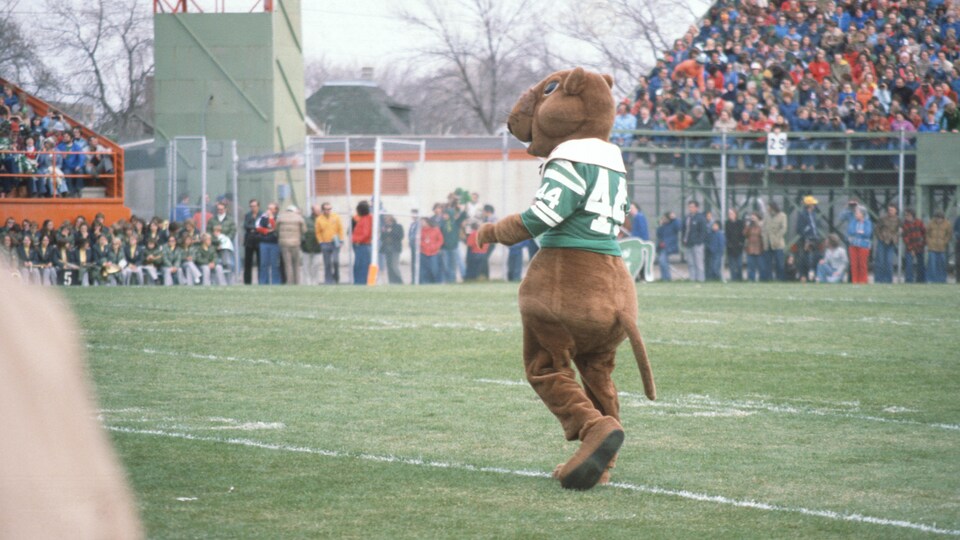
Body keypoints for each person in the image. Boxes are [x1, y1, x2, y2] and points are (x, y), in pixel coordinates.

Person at [315, 202, 344, 284]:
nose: (328, 211)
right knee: (327, 263)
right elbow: (318, 232)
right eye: (326, 209)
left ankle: (337, 278)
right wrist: (320, 242)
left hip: (335, 242)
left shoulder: (336, 217)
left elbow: (340, 229)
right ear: (323, 210)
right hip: (325, 243)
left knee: (336, 261)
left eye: (330, 209)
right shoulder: (319, 219)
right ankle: (328, 280)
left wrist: (341, 240)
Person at [276, 205, 306, 285]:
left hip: (284, 243)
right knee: (296, 264)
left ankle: (289, 281)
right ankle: (297, 282)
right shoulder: (299, 217)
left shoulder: (280, 217)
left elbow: (276, 229)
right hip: (295, 243)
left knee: (287, 264)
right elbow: (304, 230)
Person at [796, 195, 823, 282]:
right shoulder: (802, 215)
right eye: (813, 204)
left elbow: (815, 226)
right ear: (809, 205)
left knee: (815, 257)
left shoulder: (814, 214)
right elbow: (799, 229)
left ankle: (814, 276)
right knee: (804, 258)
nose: (814, 206)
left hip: (814, 239)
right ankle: (803, 275)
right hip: (806, 239)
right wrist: (806, 236)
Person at [439, 200, 467, 283]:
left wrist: (462, 208)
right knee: (446, 265)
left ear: (450, 215)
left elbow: (463, 215)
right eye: (444, 214)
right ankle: (448, 279)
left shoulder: (455, 222)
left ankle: (453, 278)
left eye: (446, 214)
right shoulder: (442, 223)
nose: (444, 216)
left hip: (453, 247)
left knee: (453, 264)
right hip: (444, 248)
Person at [874, 203, 900, 283]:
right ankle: (878, 279)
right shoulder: (883, 218)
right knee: (880, 261)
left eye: (892, 210)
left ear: (896, 210)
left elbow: (900, 230)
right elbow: (877, 229)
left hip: (891, 242)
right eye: (889, 210)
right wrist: (880, 237)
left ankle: (888, 280)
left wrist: (896, 237)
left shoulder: (898, 220)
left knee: (889, 262)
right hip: (882, 241)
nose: (890, 211)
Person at [682, 201, 707, 282]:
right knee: (691, 263)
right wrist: (684, 240)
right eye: (689, 207)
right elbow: (684, 230)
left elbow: (703, 231)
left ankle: (700, 279)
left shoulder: (701, 218)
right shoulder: (687, 217)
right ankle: (692, 279)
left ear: (697, 208)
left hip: (697, 244)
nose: (690, 208)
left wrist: (699, 241)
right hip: (688, 243)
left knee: (699, 263)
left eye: (692, 207)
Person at [761, 201, 787, 281]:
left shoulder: (782, 216)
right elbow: (763, 227)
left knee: (779, 263)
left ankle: (780, 279)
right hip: (767, 244)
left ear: (772, 207)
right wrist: (764, 237)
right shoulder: (766, 216)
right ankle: (769, 279)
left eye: (768, 207)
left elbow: (784, 228)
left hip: (778, 244)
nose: (767, 209)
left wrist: (777, 238)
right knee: (767, 263)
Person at [847, 205, 873, 284]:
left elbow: (867, 233)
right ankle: (855, 281)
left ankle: (863, 281)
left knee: (862, 264)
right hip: (853, 245)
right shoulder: (853, 221)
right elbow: (850, 231)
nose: (856, 214)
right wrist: (859, 232)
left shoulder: (867, 222)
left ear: (862, 214)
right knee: (854, 264)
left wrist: (857, 232)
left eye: (857, 213)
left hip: (864, 246)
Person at [256, 202, 280, 285]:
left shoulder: (278, 218)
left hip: (274, 243)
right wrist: (266, 231)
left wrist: (271, 218)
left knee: (275, 264)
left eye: (271, 208)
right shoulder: (262, 217)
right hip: (264, 242)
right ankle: (263, 282)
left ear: (275, 210)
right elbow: (258, 227)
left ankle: (275, 282)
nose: (268, 210)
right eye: (268, 208)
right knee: (263, 264)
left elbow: (275, 228)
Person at [925, 210, 951, 283]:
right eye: (937, 218)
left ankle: (942, 280)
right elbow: (926, 233)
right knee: (931, 264)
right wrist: (929, 242)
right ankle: (930, 280)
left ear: (943, 218)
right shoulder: (930, 223)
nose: (938, 220)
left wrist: (944, 242)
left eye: (940, 218)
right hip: (932, 247)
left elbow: (949, 234)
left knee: (941, 264)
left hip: (942, 248)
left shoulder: (947, 224)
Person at [351, 200, 372, 285]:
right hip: (360, 245)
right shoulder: (363, 218)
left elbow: (366, 233)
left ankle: (361, 282)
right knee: (358, 265)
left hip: (362, 245)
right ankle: (358, 282)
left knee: (361, 266)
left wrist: (357, 240)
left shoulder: (367, 219)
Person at [902, 208, 926, 283]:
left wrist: (923, 244)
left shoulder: (919, 222)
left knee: (921, 265)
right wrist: (911, 249)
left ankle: (921, 280)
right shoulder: (904, 225)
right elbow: (905, 238)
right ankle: (909, 280)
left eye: (908, 215)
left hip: (919, 247)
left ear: (912, 215)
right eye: (905, 215)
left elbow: (925, 233)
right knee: (909, 265)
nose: (906, 217)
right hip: (910, 248)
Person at [379, 214, 404, 284]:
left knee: (394, 266)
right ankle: (392, 281)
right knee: (389, 266)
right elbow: (382, 237)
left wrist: (390, 232)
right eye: (385, 220)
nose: (386, 221)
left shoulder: (398, 226)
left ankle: (400, 281)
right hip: (387, 249)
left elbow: (400, 236)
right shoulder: (385, 227)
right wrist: (386, 232)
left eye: (387, 219)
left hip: (395, 249)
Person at [302, 205, 323, 285]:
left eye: (319, 210)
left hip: (318, 247)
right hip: (307, 246)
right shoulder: (306, 220)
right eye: (316, 210)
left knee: (316, 265)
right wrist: (303, 242)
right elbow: (302, 231)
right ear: (312, 210)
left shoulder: (322, 220)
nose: (318, 211)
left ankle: (315, 281)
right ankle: (307, 282)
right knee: (306, 266)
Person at [656, 211, 680, 281]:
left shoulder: (673, 224)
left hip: (669, 246)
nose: (663, 220)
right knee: (662, 262)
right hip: (662, 247)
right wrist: (660, 225)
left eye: (664, 218)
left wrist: (674, 218)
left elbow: (678, 227)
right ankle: (664, 277)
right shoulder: (663, 226)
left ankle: (667, 277)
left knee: (662, 260)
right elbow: (658, 234)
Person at [418, 217, 442, 284]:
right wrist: (423, 245)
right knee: (424, 270)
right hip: (423, 252)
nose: (421, 223)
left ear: (427, 222)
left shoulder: (435, 230)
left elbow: (440, 240)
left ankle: (436, 283)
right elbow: (418, 240)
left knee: (434, 269)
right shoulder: (420, 230)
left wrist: (435, 246)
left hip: (433, 253)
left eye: (423, 222)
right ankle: (425, 283)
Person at [724, 208, 744, 281]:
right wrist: (728, 244)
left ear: (735, 214)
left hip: (738, 247)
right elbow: (727, 235)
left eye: (731, 213)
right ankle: (733, 278)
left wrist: (741, 243)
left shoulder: (740, 223)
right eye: (729, 214)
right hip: (730, 247)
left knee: (739, 264)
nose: (730, 215)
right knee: (732, 265)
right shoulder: (727, 223)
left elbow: (742, 235)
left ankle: (740, 278)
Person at [744, 211, 764, 282]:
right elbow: (745, 234)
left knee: (761, 266)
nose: (752, 219)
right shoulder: (749, 226)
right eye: (752, 217)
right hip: (750, 248)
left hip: (759, 248)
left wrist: (758, 224)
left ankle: (762, 279)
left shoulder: (761, 225)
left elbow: (763, 234)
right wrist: (747, 225)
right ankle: (751, 279)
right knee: (751, 266)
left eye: (754, 217)